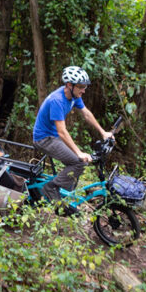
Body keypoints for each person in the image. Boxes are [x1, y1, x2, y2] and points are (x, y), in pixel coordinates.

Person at [33, 66, 114, 204]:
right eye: (81, 87)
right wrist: (79, 152)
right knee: (78, 162)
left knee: (78, 163)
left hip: (54, 136)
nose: (83, 90)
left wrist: (103, 132)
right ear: (69, 85)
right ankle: (51, 189)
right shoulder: (57, 100)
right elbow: (62, 132)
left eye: (85, 87)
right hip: (44, 139)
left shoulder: (74, 96)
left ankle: (65, 196)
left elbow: (86, 114)